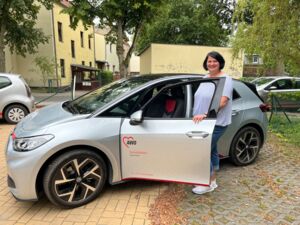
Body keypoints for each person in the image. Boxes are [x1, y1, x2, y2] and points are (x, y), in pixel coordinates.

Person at [192, 51, 233, 195]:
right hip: (202, 122)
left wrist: (205, 114)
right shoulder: (206, 77)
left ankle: (207, 183)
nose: (211, 63)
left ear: (220, 62)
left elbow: (223, 101)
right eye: (209, 61)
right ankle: (213, 180)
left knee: (202, 151)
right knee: (212, 150)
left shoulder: (225, 79)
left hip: (216, 122)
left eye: (215, 61)